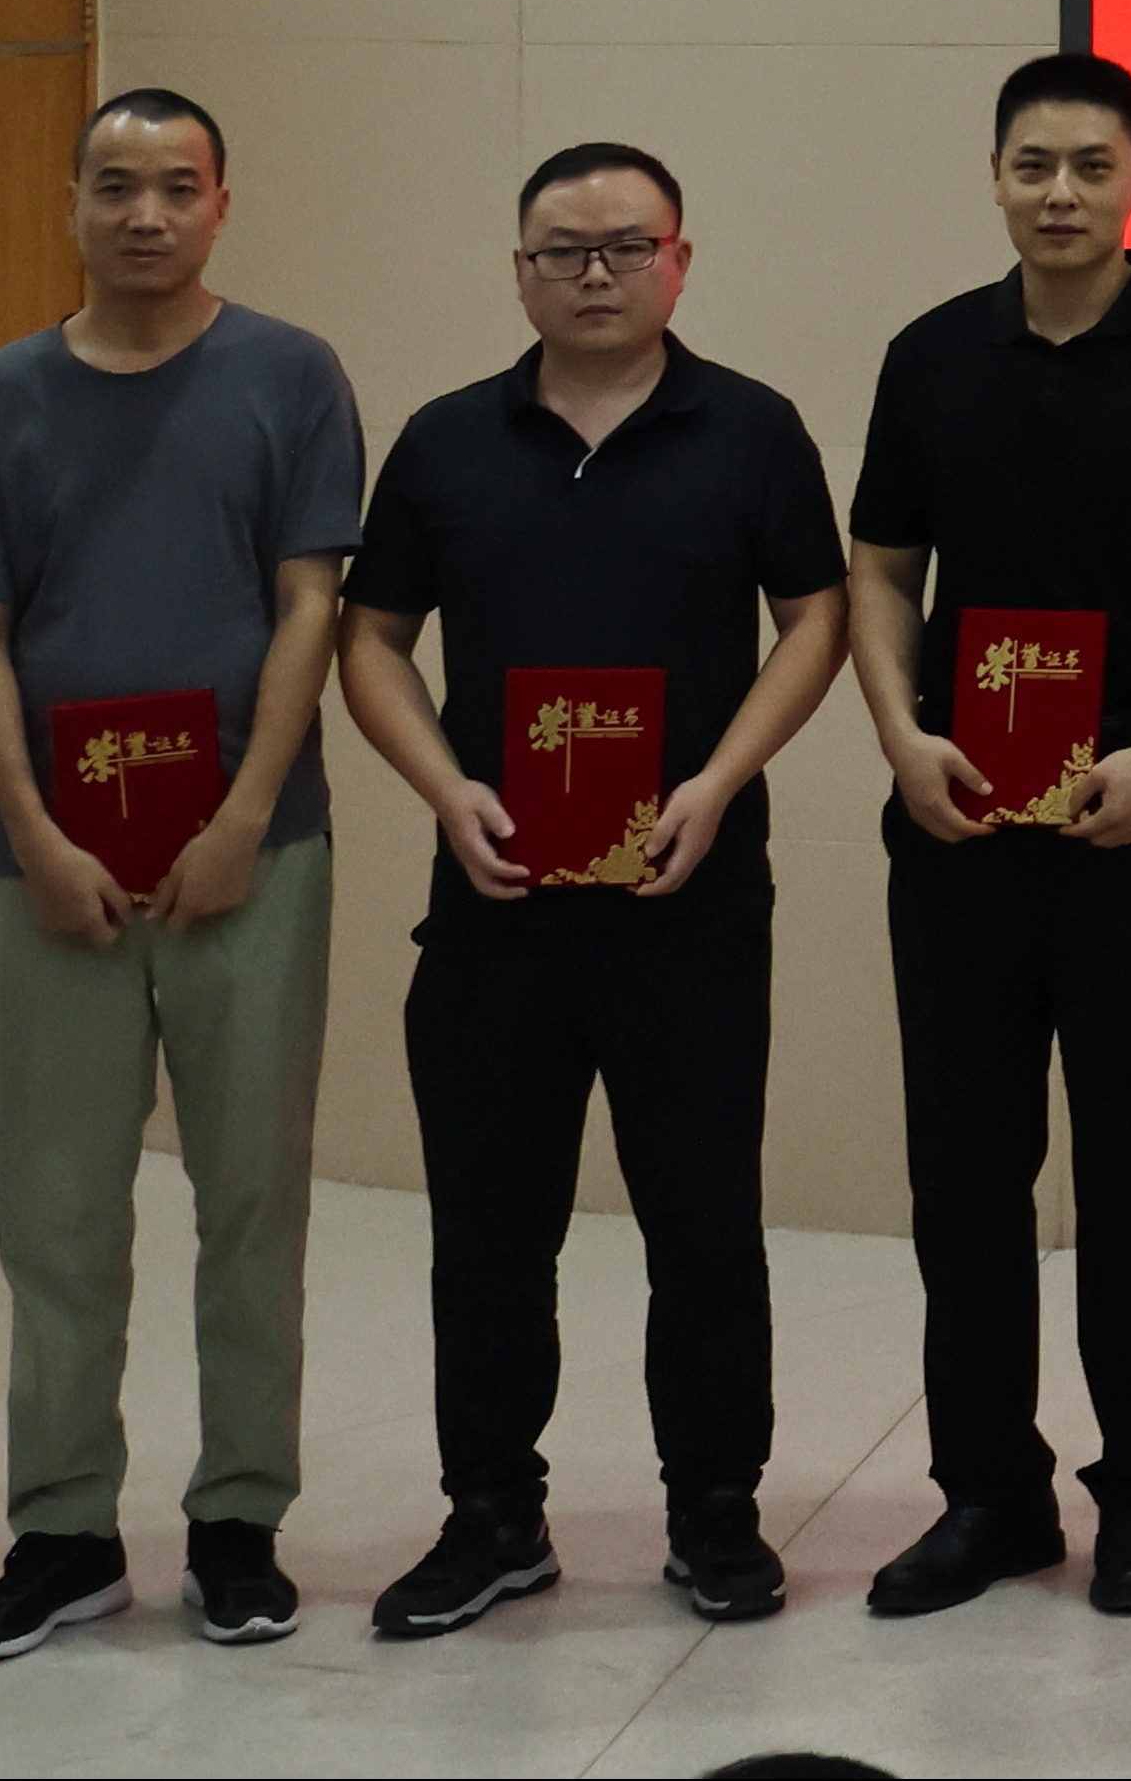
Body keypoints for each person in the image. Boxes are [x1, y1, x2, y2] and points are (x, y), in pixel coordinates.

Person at [337, 143, 848, 1637]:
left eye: (629, 246)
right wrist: (447, 790)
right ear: (520, 273)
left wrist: (720, 779)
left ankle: (717, 1513)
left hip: (688, 897)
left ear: (680, 261)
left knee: (706, 1224)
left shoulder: (751, 429)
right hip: (496, 906)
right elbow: (371, 639)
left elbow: (816, 617)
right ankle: (492, 1515)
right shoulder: (446, 440)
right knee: (490, 1232)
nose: (598, 274)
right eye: (564, 252)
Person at [839, 52, 1131, 1619]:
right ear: (994, 177)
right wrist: (901, 735)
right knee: (964, 1175)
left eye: (1092, 166)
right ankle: (988, 1495)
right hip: (960, 824)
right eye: (1033, 166)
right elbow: (883, 565)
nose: (1061, 194)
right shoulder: (931, 357)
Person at [0, 89, 365, 1664]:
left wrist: (242, 816)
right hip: (53, 871)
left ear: (222, 203)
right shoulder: (1, 397)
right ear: (74, 204)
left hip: (256, 856)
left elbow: (310, 605)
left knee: (252, 1200)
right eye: (116, 186)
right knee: (53, 1211)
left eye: (178, 185)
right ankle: (61, 1533)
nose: (147, 214)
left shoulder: (290, 375)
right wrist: (36, 836)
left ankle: (239, 1522)